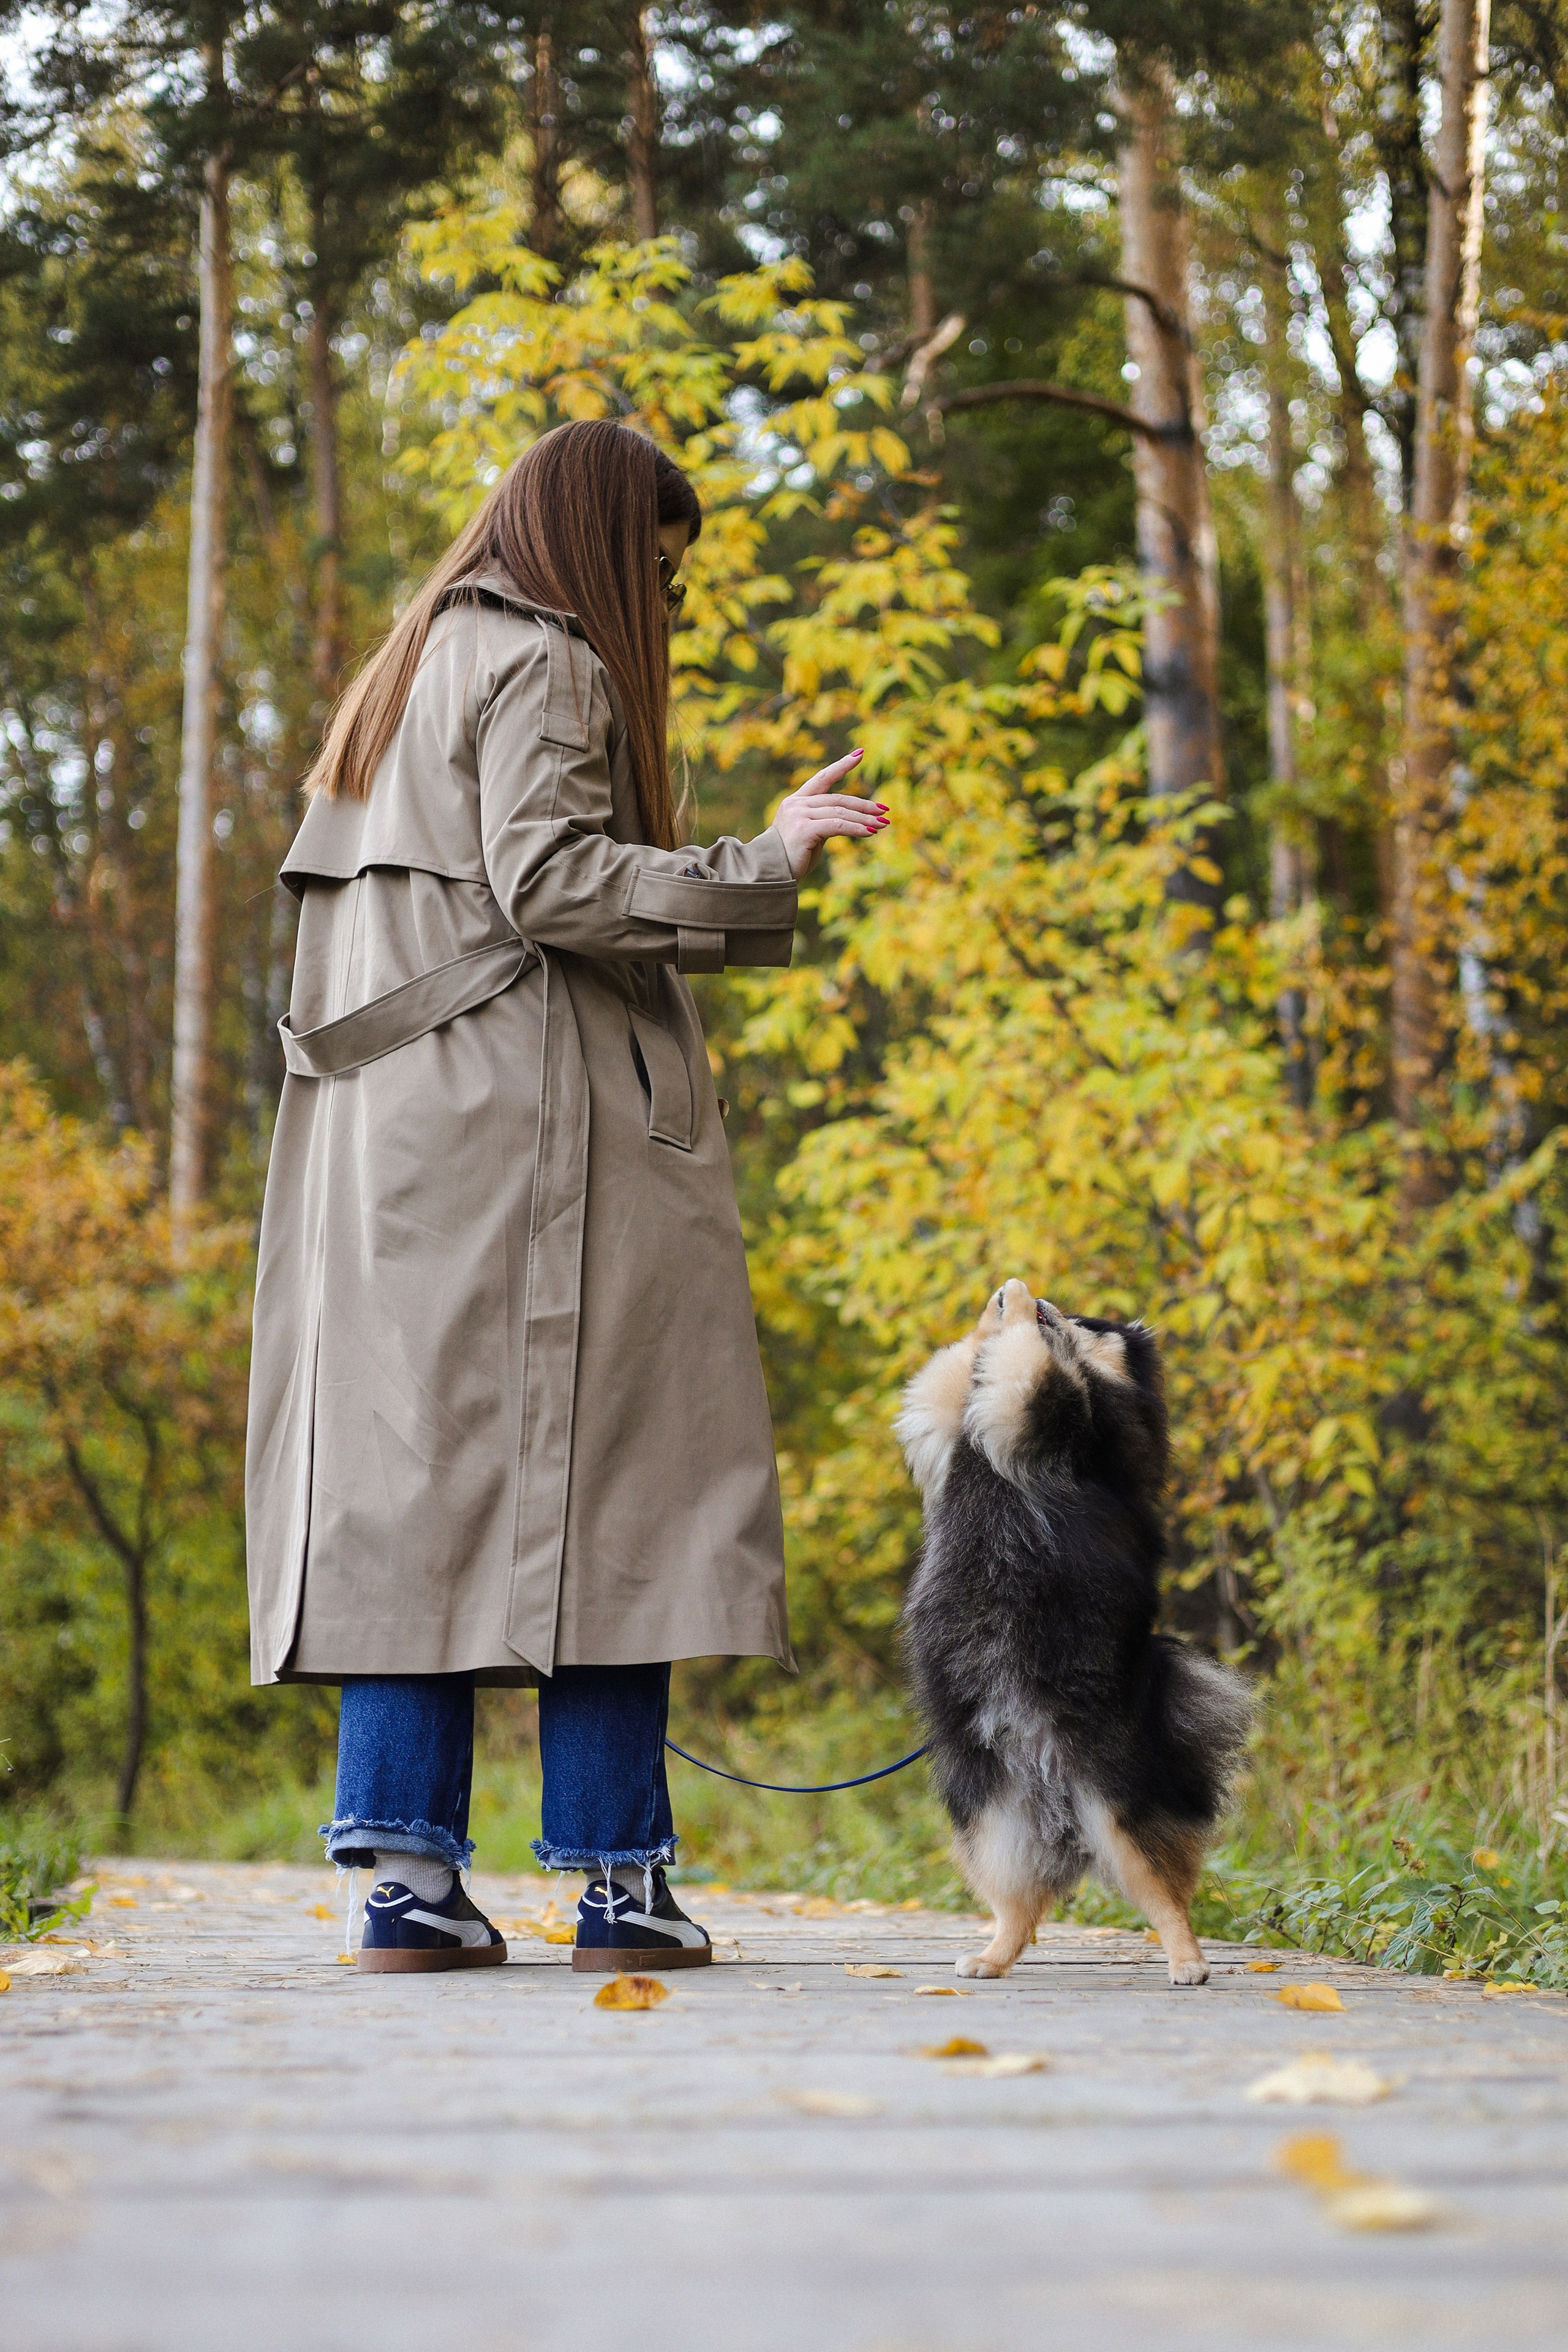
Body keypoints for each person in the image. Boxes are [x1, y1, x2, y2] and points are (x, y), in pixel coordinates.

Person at [245, 418, 888, 1973]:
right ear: (599, 544)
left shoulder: (407, 666)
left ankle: (402, 1878)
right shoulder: (546, 660)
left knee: (413, 1503)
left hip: (393, 1149)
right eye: (654, 570)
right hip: (530, 1137)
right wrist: (765, 858)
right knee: (628, 1493)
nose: (658, 605)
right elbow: (550, 880)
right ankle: (616, 1879)